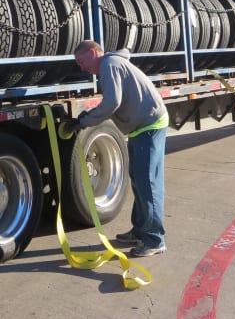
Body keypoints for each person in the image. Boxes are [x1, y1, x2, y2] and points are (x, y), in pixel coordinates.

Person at [67, 39, 169, 257]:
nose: (82, 67)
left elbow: (112, 102)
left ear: (94, 53)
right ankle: (140, 230)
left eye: (82, 61)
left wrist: (84, 121)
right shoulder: (111, 65)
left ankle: (154, 240)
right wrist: (88, 117)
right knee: (139, 180)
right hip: (141, 127)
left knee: (147, 184)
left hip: (150, 126)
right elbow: (114, 102)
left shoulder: (109, 65)